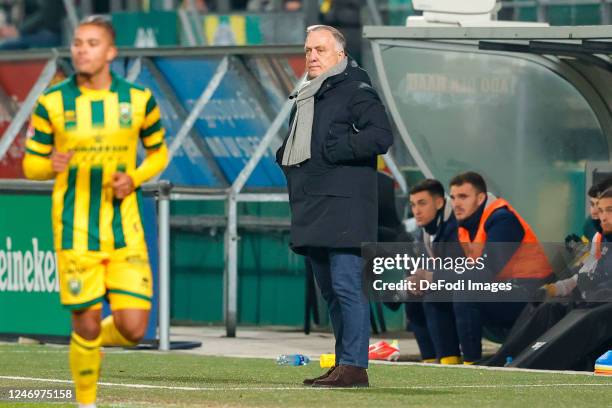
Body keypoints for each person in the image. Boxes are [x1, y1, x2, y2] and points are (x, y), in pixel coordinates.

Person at [22, 16, 168, 408]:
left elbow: (159, 152)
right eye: (77, 43)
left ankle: (87, 346)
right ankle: (86, 403)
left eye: (91, 43)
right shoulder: (53, 103)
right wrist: (49, 164)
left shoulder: (138, 100)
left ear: (110, 52)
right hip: (75, 230)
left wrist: (134, 178)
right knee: (84, 322)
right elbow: (30, 166)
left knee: (134, 328)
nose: (81, 50)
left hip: (125, 230)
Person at [275, 24, 393, 387]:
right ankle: (345, 362)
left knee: (346, 287)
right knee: (331, 291)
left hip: (344, 208)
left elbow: (380, 135)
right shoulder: (309, 93)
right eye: (308, 49)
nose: (312, 56)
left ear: (339, 56)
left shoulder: (355, 88)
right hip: (315, 205)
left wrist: (335, 151)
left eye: (320, 50)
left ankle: (355, 367)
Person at [448, 171, 552, 364]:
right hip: (503, 290)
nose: (456, 203)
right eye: (453, 197)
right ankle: (444, 362)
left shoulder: (503, 219)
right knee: (432, 292)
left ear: (480, 198)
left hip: (530, 295)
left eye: (463, 196)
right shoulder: (465, 226)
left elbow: (489, 269)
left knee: (464, 291)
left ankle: (471, 365)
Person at [406, 179, 462, 364]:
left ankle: (449, 361)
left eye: (422, 203)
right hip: (446, 281)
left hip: (469, 285)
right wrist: (414, 278)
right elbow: (420, 265)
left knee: (434, 296)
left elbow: (457, 267)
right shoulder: (424, 231)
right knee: (412, 296)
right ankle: (429, 360)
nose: (416, 211)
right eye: (413, 205)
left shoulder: (456, 226)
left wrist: (428, 277)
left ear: (439, 203)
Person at [0, 0, 64, 50]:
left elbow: (48, 14)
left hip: (50, 33)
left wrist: (19, 30)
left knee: (5, 46)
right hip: (32, 32)